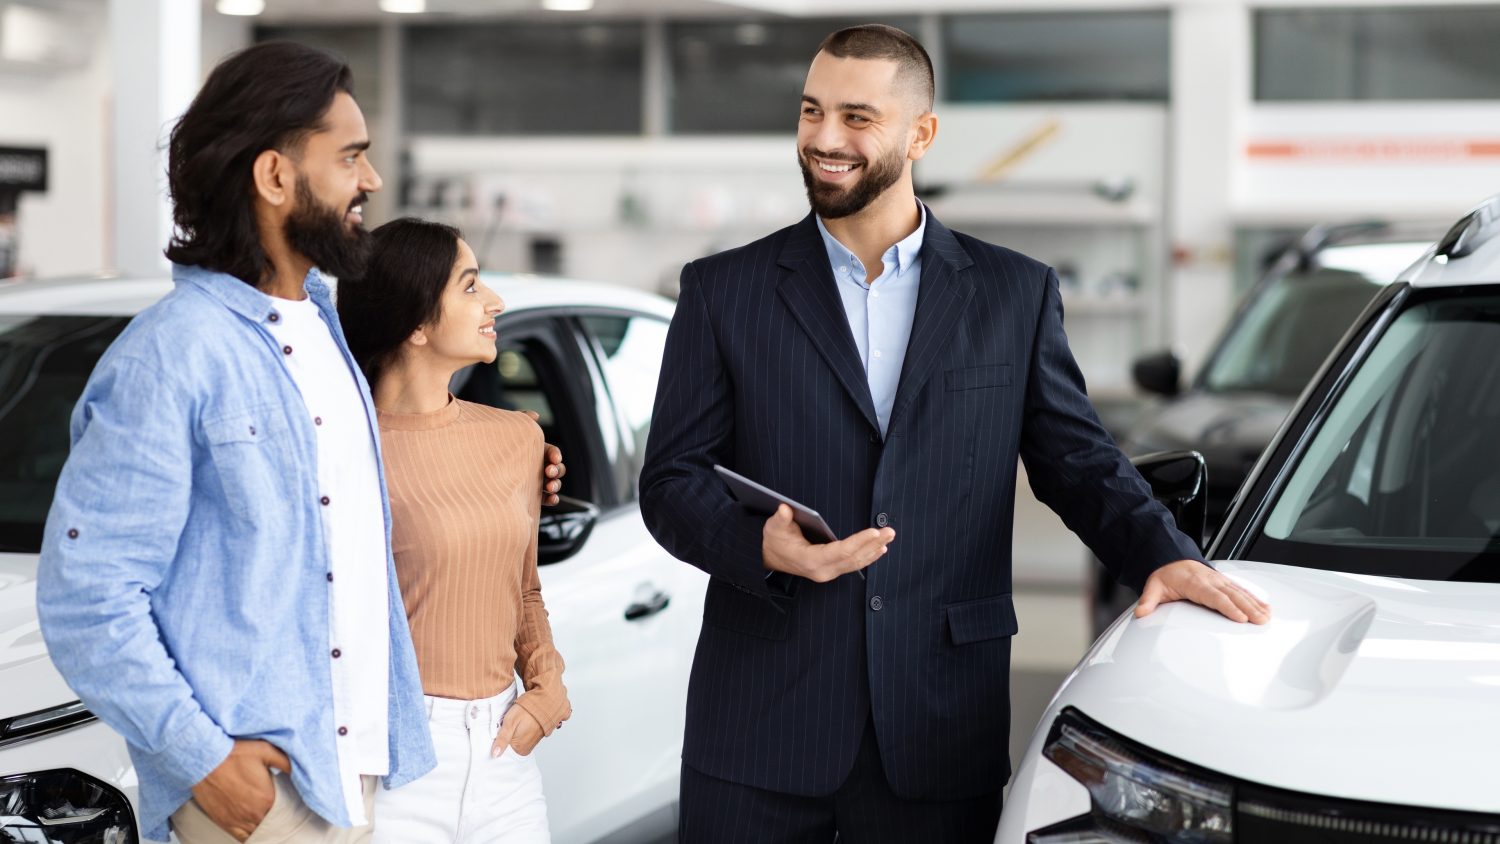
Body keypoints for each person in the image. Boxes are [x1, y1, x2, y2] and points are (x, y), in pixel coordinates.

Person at [638, 23, 1271, 842]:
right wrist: (764, 545)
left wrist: (1166, 555)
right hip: (761, 720)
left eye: (857, 118)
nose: (824, 140)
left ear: (921, 134)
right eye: (811, 112)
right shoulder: (725, 290)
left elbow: (1075, 459)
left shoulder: (1013, 294)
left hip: (936, 721)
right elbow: (671, 481)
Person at [33, 43, 563, 844]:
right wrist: (204, 760)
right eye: (350, 156)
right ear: (275, 177)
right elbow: (88, 599)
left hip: (353, 777)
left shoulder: (323, 332)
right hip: (258, 794)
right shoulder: (171, 354)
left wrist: (509, 478)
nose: (371, 181)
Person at [337, 218, 570, 843]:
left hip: (504, 758)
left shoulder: (518, 437)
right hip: (394, 766)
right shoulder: (342, 454)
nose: (494, 302)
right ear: (415, 324)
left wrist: (547, 689)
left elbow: (522, 591)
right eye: (470, 287)